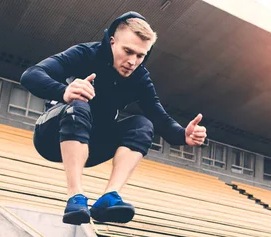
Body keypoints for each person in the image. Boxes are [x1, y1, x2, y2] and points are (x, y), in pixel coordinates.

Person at [20, 11, 207, 225]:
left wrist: (184, 134)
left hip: (92, 146)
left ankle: (109, 198)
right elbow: (31, 75)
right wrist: (63, 91)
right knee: (80, 104)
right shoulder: (86, 54)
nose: (132, 61)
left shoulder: (140, 78)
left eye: (140, 55)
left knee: (143, 125)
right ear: (112, 42)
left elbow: (159, 117)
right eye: (127, 51)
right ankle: (75, 196)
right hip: (51, 136)